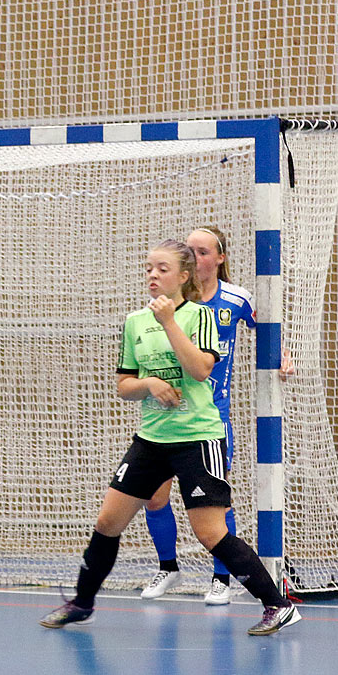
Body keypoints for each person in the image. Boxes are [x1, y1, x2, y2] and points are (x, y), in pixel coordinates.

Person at [41, 239, 301, 636]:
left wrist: (169, 323)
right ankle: (82, 602)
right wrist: (148, 383)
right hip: (151, 439)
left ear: (183, 277)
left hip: (198, 437)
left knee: (211, 532)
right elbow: (123, 385)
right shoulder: (134, 322)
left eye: (162, 269)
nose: (152, 275)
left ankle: (277, 605)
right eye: (148, 268)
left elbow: (200, 370)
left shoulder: (200, 316)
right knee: (109, 521)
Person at [139, 225, 293, 605]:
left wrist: (282, 355)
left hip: (210, 419)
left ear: (220, 257)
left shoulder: (236, 299)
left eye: (204, 251)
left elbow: (267, 330)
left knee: (215, 503)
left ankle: (221, 577)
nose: (196, 256)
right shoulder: (170, 303)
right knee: (154, 496)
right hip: (165, 417)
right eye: (190, 251)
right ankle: (168, 567)